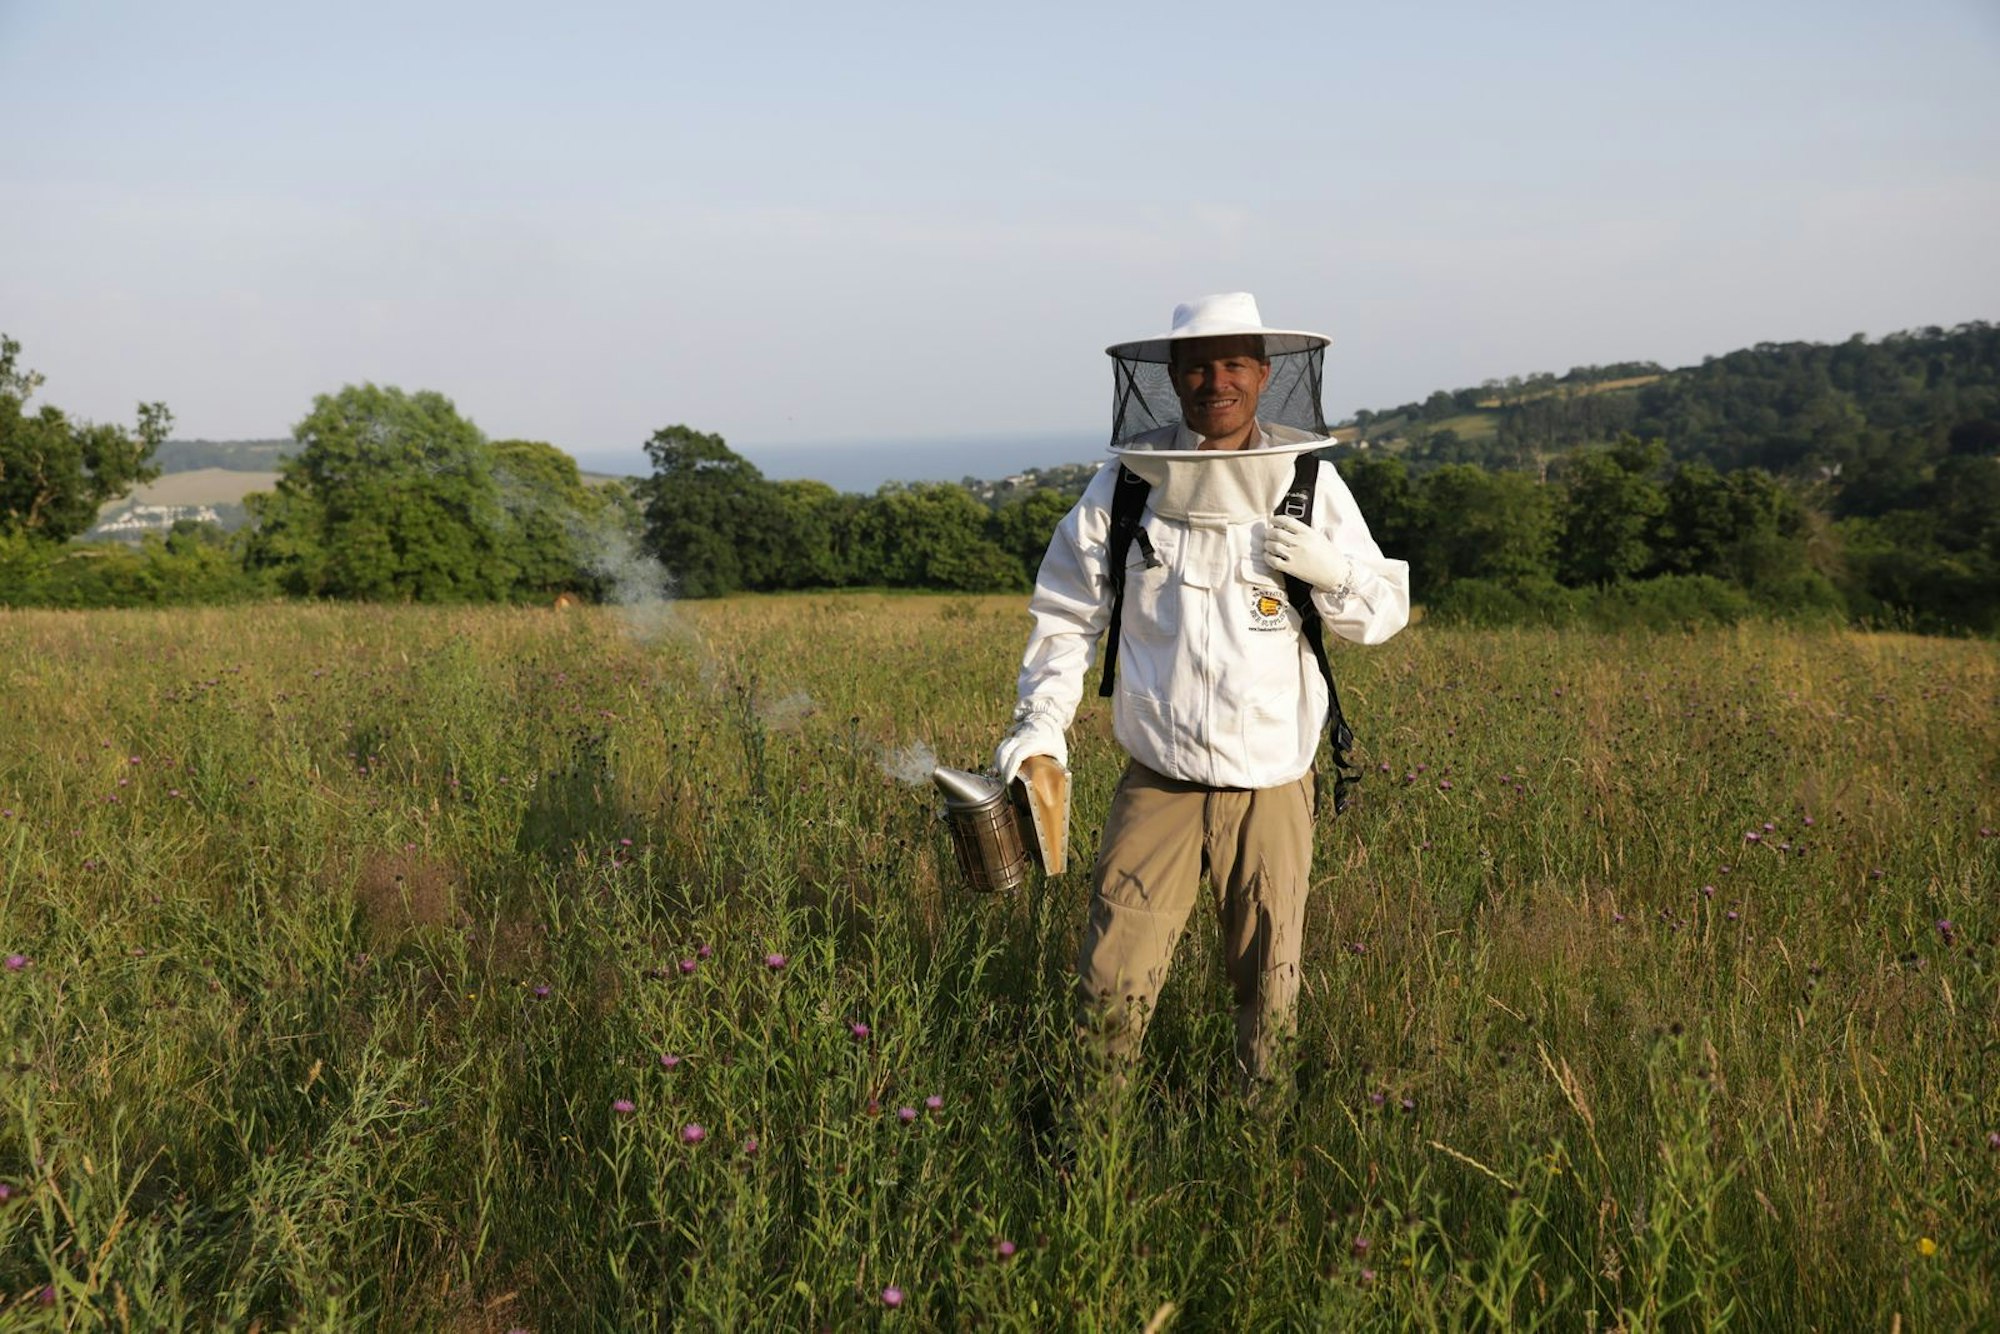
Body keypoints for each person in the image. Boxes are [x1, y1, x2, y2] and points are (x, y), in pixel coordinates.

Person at [993, 292, 1410, 1097]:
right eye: (1196, 368)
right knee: (1111, 982)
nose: (1214, 382)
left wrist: (1338, 573)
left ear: (1263, 374)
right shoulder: (1123, 491)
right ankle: (1093, 1144)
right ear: (1172, 381)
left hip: (1272, 784)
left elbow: (1380, 616)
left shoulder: (1311, 487)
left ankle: (1257, 1146)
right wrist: (1041, 724)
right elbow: (1066, 613)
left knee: (1270, 981)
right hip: (1160, 781)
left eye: (1232, 365)